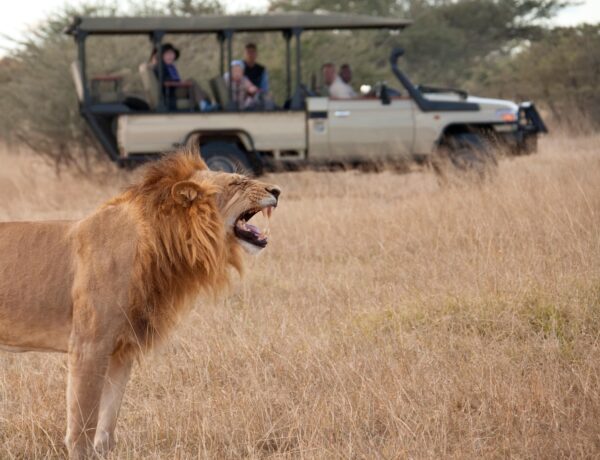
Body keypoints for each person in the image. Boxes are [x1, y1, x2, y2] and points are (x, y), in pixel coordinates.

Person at [150, 43, 210, 111]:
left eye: (172, 54)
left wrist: (181, 83)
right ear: (162, 56)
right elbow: (166, 82)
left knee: (203, 93)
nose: (170, 56)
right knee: (192, 81)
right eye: (167, 54)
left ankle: (205, 106)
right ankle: (203, 106)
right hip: (171, 91)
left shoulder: (170, 67)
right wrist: (181, 83)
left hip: (175, 89)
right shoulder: (160, 67)